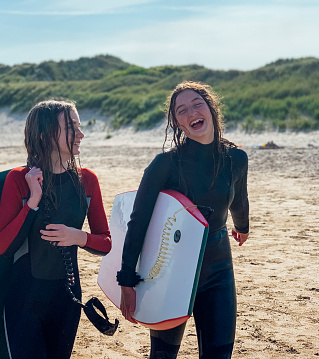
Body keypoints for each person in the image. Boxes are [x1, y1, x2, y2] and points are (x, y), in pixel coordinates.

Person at [117, 81, 249, 359]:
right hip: (172, 270)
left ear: (211, 109)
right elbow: (138, 221)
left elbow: (237, 197)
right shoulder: (165, 165)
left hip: (218, 268)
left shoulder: (235, 157)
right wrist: (126, 279)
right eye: (182, 111)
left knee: (219, 354)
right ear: (177, 123)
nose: (192, 113)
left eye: (197, 104)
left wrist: (242, 227)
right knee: (163, 356)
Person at [0, 100, 112, 359]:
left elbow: (105, 242)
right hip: (24, 299)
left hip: (67, 299)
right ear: (45, 134)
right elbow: (2, 245)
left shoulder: (87, 181)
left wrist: (78, 237)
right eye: (71, 127)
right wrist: (32, 202)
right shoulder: (19, 179)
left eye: (79, 126)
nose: (80, 134)